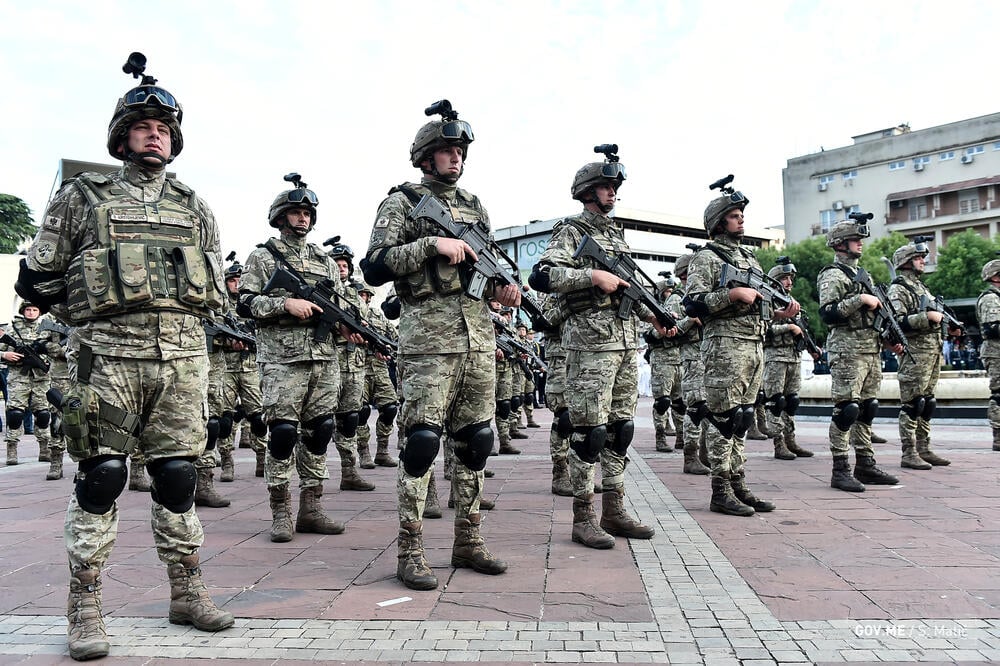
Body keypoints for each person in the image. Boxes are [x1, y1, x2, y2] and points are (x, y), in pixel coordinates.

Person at [15, 53, 233, 660]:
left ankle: (187, 593)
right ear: (121, 137)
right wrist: (87, 318)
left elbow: (214, 287)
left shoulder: (194, 204)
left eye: (163, 129)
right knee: (103, 475)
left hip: (181, 361)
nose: (153, 135)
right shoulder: (83, 196)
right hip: (107, 359)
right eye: (142, 127)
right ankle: (85, 607)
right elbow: (36, 278)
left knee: (178, 476)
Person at [362, 99, 518, 590]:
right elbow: (374, 265)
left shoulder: (474, 205)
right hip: (428, 340)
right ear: (426, 156)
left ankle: (468, 540)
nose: (457, 158)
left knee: (476, 440)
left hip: (477, 339)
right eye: (448, 150)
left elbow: (481, 268)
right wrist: (431, 245)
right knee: (422, 442)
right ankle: (410, 550)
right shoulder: (402, 202)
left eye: (461, 151)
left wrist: (502, 290)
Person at [530, 144, 666, 548]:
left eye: (615, 187)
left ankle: (614, 509)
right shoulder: (572, 231)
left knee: (620, 430)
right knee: (589, 432)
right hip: (589, 347)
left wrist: (655, 317)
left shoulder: (615, 235)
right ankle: (583, 517)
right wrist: (591, 277)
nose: (613, 192)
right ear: (588, 191)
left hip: (623, 345)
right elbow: (544, 275)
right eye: (606, 186)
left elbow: (628, 291)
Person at [240, 173, 361, 542]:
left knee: (320, 430)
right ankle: (281, 510)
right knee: (282, 433)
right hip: (282, 360)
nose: (302, 218)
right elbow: (245, 302)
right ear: (280, 217)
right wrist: (285, 304)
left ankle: (311, 507)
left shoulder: (325, 261)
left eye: (307, 213)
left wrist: (346, 327)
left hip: (323, 359)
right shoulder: (263, 256)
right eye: (295, 212)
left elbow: (340, 305)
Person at [684, 176, 798, 516]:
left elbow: (758, 305)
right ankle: (720, 490)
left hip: (753, 345)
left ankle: (738, 483)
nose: (741, 219)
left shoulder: (750, 258)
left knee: (744, 417)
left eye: (741, 214)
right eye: (734, 215)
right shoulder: (706, 258)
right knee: (724, 418)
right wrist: (731, 294)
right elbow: (692, 303)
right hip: (724, 346)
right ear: (720, 222)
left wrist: (779, 313)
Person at [817, 218, 901, 492]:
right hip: (847, 350)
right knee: (846, 410)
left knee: (867, 409)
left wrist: (889, 339)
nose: (860, 243)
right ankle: (840, 469)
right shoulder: (833, 275)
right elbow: (828, 313)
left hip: (870, 349)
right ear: (840, 244)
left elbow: (875, 316)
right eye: (855, 239)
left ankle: (865, 464)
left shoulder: (863, 274)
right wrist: (860, 299)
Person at [887, 240, 957, 469]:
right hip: (915, 353)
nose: (922, 261)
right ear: (906, 262)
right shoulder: (898, 289)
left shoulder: (921, 287)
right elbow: (896, 323)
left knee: (927, 403)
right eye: (918, 258)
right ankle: (909, 452)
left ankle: (924, 448)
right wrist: (926, 318)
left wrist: (950, 326)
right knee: (913, 403)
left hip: (932, 352)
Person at [326, 240, 376, 492]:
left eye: (344, 265)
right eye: (337, 264)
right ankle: (312, 477)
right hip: (328, 361)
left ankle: (349, 471)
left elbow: (363, 323)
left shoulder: (354, 296)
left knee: (350, 419)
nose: (341, 268)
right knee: (319, 422)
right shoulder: (323, 291)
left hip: (353, 365)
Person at [762, 259, 816, 460]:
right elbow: (762, 328)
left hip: (793, 356)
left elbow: (803, 330)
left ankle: (790, 440)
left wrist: (812, 347)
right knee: (776, 401)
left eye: (791, 278)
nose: (789, 282)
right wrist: (789, 327)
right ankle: (779, 443)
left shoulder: (792, 302)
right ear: (775, 280)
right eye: (785, 278)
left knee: (791, 401)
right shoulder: (767, 301)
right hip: (775, 357)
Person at [220, 258, 268, 479]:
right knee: (224, 418)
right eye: (232, 280)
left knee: (258, 417)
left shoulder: (253, 305)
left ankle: (262, 458)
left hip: (251, 368)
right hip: (226, 368)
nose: (237, 284)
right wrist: (226, 342)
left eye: (240, 280)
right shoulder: (220, 307)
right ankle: (226, 462)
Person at [1, 302, 54, 466]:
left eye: (34, 310)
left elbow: (57, 350)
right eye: (28, 310)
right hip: (18, 377)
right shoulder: (12, 329)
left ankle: (44, 449)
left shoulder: (47, 329)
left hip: (41, 378)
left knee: (43, 414)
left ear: (39, 312)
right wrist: (4, 355)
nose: (31, 312)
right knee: (15, 414)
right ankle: (11, 449)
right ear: (23, 311)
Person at [355, 281, 400, 469]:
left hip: (380, 368)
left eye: (366, 295)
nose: (363, 298)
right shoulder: (350, 314)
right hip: (358, 367)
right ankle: (363, 451)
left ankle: (382, 451)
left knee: (390, 408)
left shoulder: (377, 315)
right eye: (360, 294)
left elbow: (395, 338)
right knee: (361, 411)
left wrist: (388, 348)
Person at [672, 252, 710, 475]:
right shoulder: (677, 300)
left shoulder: (704, 294)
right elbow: (670, 331)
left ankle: (705, 453)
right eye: (685, 275)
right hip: (692, 358)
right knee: (696, 408)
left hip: (709, 356)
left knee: (710, 408)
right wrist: (689, 320)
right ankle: (690, 456)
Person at [645, 274, 684, 452]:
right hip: (662, 359)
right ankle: (660, 436)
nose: (670, 294)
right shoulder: (651, 311)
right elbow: (648, 335)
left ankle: (681, 436)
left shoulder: (679, 307)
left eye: (671, 291)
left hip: (679, 358)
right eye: (667, 291)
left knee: (680, 402)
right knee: (662, 401)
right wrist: (662, 330)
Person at [976, 257, 1000, 451]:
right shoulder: (991, 298)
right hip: (996, 353)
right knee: (999, 394)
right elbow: (992, 328)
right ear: (996, 277)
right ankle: (998, 436)